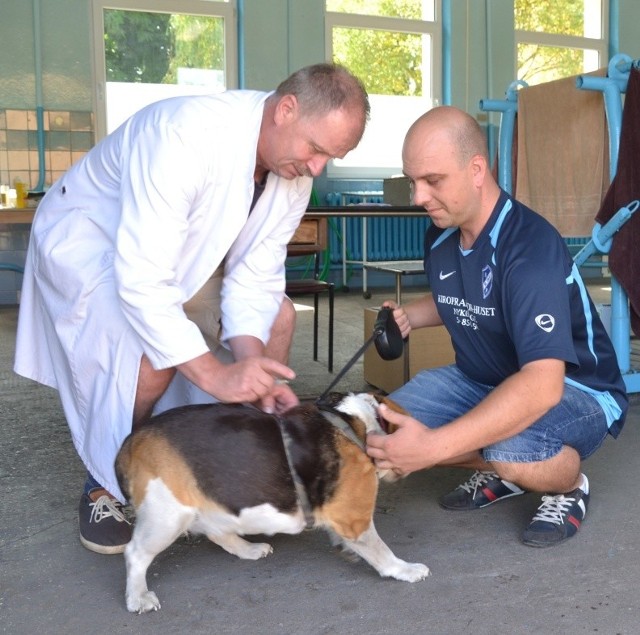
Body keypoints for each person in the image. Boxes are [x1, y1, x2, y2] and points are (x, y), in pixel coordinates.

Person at [14, 63, 369, 555]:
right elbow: (142, 282)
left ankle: (228, 470)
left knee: (279, 318)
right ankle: (105, 481)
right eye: (317, 149)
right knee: (150, 356)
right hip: (90, 240)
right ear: (286, 110)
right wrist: (214, 376)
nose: (317, 169)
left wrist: (251, 364)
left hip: (171, 255)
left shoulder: (293, 170)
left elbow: (256, 277)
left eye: (332, 157)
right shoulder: (183, 136)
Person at [366, 106, 628, 548]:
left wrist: (434, 448)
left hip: (577, 388)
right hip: (485, 379)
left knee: (510, 448)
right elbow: (463, 296)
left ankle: (566, 485)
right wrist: (411, 315)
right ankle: (508, 476)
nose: (417, 197)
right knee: (385, 426)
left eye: (432, 180)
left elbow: (543, 387)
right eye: (412, 181)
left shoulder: (529, 249)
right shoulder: (441, 232)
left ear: (476, 170)